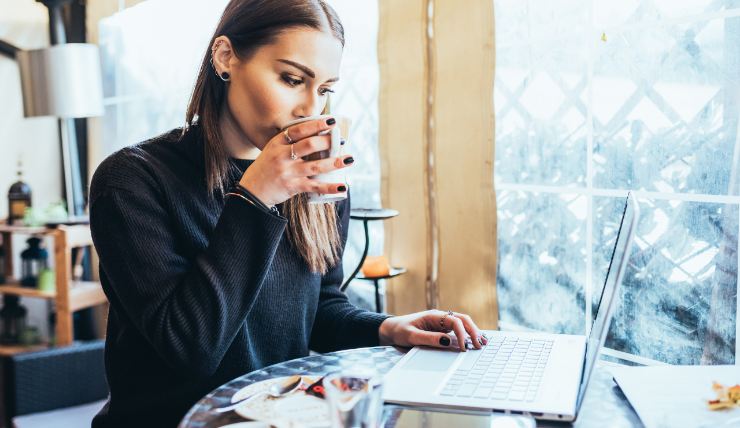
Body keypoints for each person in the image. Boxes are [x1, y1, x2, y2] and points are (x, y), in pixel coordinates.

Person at [89, 0, 487, 426]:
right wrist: (256, 197)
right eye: (292, 79)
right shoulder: (132, 181)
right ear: (226, 57)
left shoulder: (313, 181)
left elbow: (319, 310)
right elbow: (191, 348)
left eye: (325, 89)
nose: (310, 109)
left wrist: (389, 328)